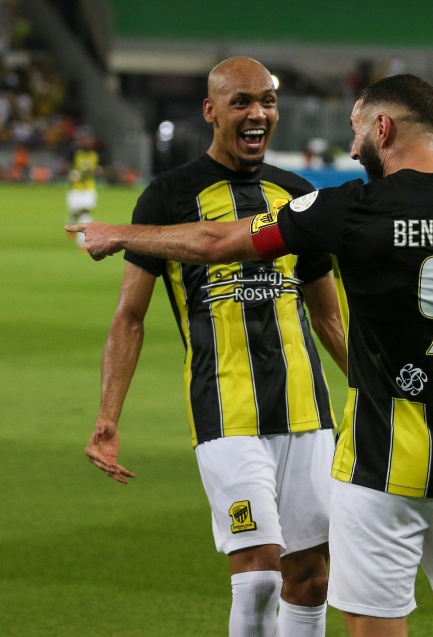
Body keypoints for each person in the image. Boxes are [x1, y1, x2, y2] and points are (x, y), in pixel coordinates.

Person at [69, 73, 433, 637]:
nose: (353, 148)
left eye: (357, 131)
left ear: (383, 128)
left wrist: (120, 234)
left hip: (376, 466)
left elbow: (215, 242)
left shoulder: (345, 208)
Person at [74, 57, 346, 637]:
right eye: (241, 101)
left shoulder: (299, 195)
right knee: (259, 575)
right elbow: (129, 317)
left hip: (308, 411)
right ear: (211, 110)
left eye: (267, 101)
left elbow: (327, 315)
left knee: (312, 578)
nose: (258, 113)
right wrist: (107, 417)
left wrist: (379, 391)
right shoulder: (168, 198)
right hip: (224, 412)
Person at [66, 127, 102, 248]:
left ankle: (82, 242)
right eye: (85, 139)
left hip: (89, 188)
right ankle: (71, 224)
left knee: (85, 211)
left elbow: (103, 168)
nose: (87, 142)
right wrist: (71, 173)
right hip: (76, 188)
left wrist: (99, 170)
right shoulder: (74, 153)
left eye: (89, 139)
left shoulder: (97, 154)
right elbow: (66, 166)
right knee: (75, 212)